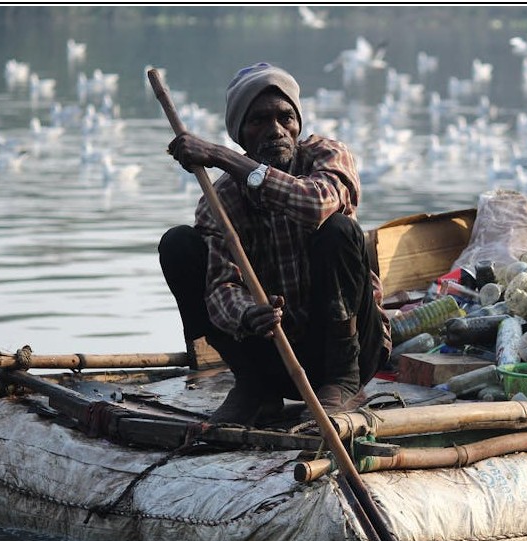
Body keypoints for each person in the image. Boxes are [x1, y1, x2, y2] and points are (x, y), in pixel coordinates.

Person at [158, 62, 390, 426]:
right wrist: (248, 314)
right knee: (178, 244)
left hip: (351, 350)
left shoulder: (326, 156)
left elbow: (317, 205)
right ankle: (255, 389)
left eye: (285, 118)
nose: (276, 131)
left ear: (298, 123)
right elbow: (220, 286)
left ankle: (341, 383)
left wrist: (219, 156)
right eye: (260, 121)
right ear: (242, 135)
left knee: (339, 229)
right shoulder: (222, 200)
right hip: (274, 354)